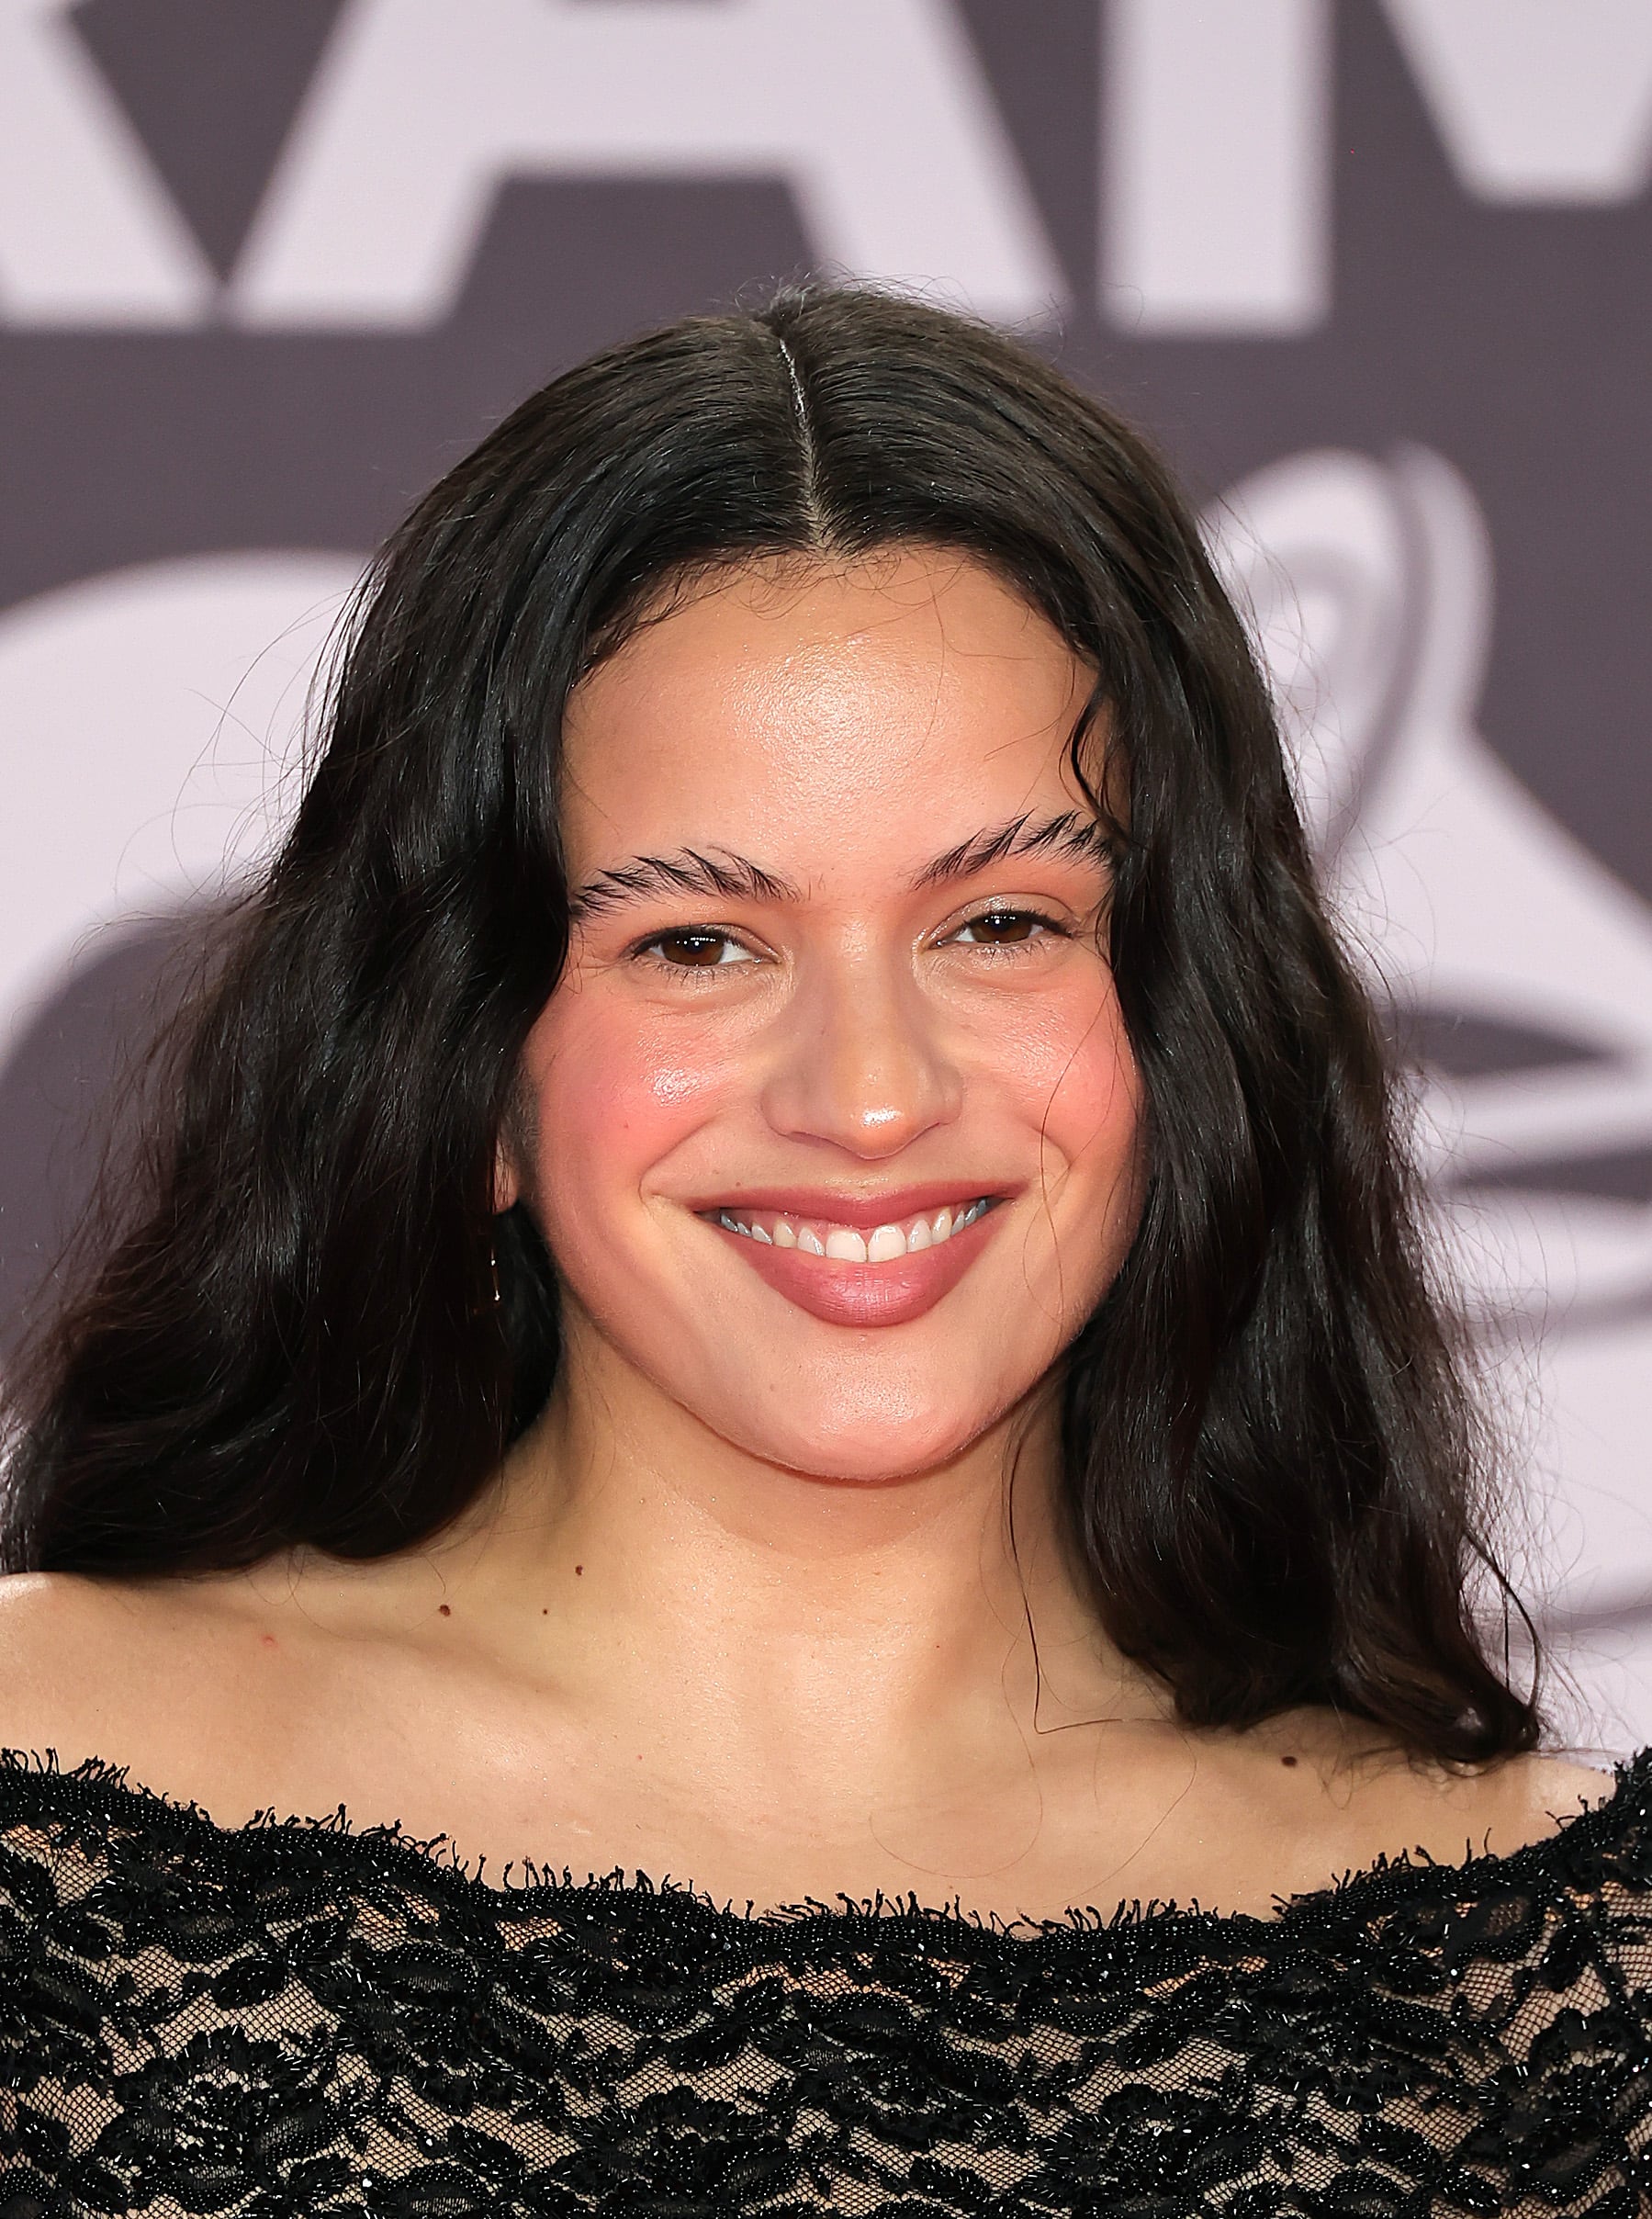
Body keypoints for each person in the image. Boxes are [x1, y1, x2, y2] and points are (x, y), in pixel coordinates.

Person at [0, 285, 1646, 2215]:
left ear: (1180, 1032)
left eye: (1001, 924)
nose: (869, 1096)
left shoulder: (1545, 1997)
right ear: (475, 1074)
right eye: (698, 943)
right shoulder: (49, 1805)